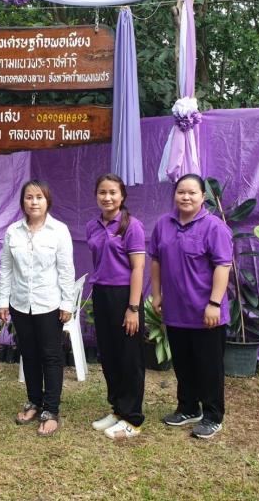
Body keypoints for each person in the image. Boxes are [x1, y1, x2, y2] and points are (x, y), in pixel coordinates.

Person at [148, 173, 232, 439]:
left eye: (192, 193)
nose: (186, 197)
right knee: (183, 364)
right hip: (176, 311)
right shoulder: (163, 224)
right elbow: (156, 260)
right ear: (174, 195)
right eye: (181, 192)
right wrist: (157, 294)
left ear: (202, 197)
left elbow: (223, 265)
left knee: (209, 366)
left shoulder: (214, 227)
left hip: (206, 312)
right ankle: (187, 407)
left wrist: (214, 303)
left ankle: (212, 415)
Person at [0, 180, 75, 436]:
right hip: (20, 304)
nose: (34, 202)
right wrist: (3, 301)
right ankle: (34, 401)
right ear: (23, 202)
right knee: (28, 354)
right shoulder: (13, 232)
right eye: (29, 197)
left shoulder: (59, 230)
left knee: (51, 356)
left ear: (47, 200)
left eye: (39, 197)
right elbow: (6, 269)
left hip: (49, 304)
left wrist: (67, 303)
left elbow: (66, 270)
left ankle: (51, 409)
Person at [86, 173, 147, 440]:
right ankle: (118, 410)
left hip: (125, 297)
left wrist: (133, 308)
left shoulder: (132, 226)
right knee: (109, 355)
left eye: (112, 192)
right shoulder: (92, 226)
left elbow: (138, 267)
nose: (107, 197)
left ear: (122, 196)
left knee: (129, 358)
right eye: (102, 192)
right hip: (101, 294)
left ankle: (132, 418)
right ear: (96, 195)